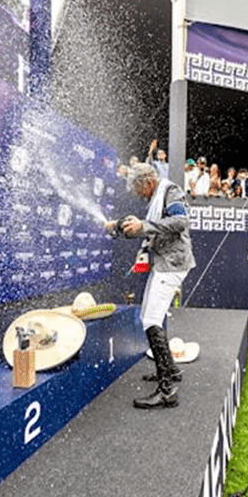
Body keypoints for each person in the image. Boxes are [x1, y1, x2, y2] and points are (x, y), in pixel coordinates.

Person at [105, 162, 195, 409]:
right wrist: (119, 224)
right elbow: (149, 225)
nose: (136, 193)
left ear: (147, 181)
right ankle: (171, 370)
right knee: (147, 315)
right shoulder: (157, 196)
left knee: (152, 321)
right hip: (164, 264)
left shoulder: (170, 191)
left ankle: (167, 391)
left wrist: (143, 226)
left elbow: (180, 222)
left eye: (137, 187)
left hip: (172, 265)